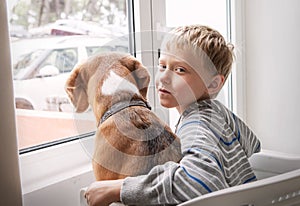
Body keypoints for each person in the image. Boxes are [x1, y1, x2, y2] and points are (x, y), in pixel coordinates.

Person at [84, 25, 261, 206]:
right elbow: (253, 144)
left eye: (180, 70)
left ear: (213, 84)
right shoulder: (216, 113)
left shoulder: (197, 124)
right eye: (162, 66)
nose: (164, 78)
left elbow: (201, 182)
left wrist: (121, 188)